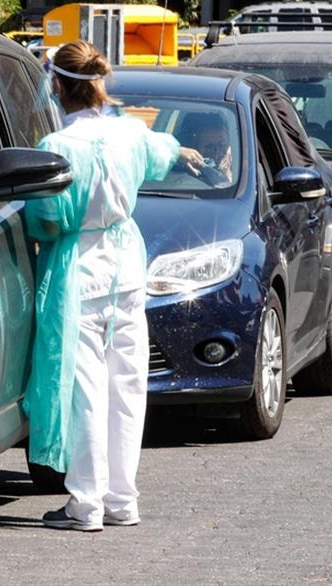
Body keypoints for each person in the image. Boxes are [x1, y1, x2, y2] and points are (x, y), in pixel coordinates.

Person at [24, 39, 203, 532]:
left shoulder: (56, 148)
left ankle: (86, 503)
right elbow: (162, 152)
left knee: (85, 391)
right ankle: (122, 498)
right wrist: (183, 148)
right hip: (127, 269)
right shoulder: (129, 133)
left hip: (78, 272)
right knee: (127, 388)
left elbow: (47, 219)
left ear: (57, 85)